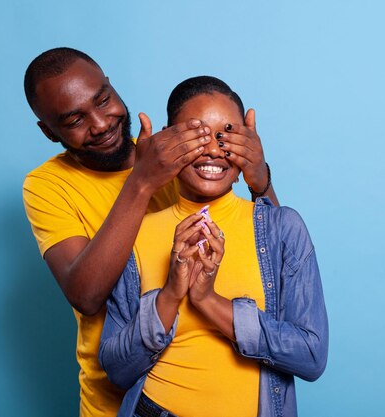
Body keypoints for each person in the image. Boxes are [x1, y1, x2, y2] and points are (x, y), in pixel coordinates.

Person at [22, 48, 277, 417]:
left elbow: (272, 254)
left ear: (111, 86)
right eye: (75, 118)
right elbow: (87, 295)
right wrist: (141, 183)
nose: (100, 123)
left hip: (209, 389)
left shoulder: (172, 152)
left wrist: (260, 181)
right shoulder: (47, 186)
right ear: (49, 132)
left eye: (103, 100)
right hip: (116, 400)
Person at [99, 76, 328, 417]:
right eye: (196, 134)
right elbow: (116, 369)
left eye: (227, 136)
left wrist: (207, 300)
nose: (212, 149)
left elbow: (310, 356)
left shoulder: (283, 228)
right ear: (167, 141)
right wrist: (171, 294)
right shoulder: (134, 235)